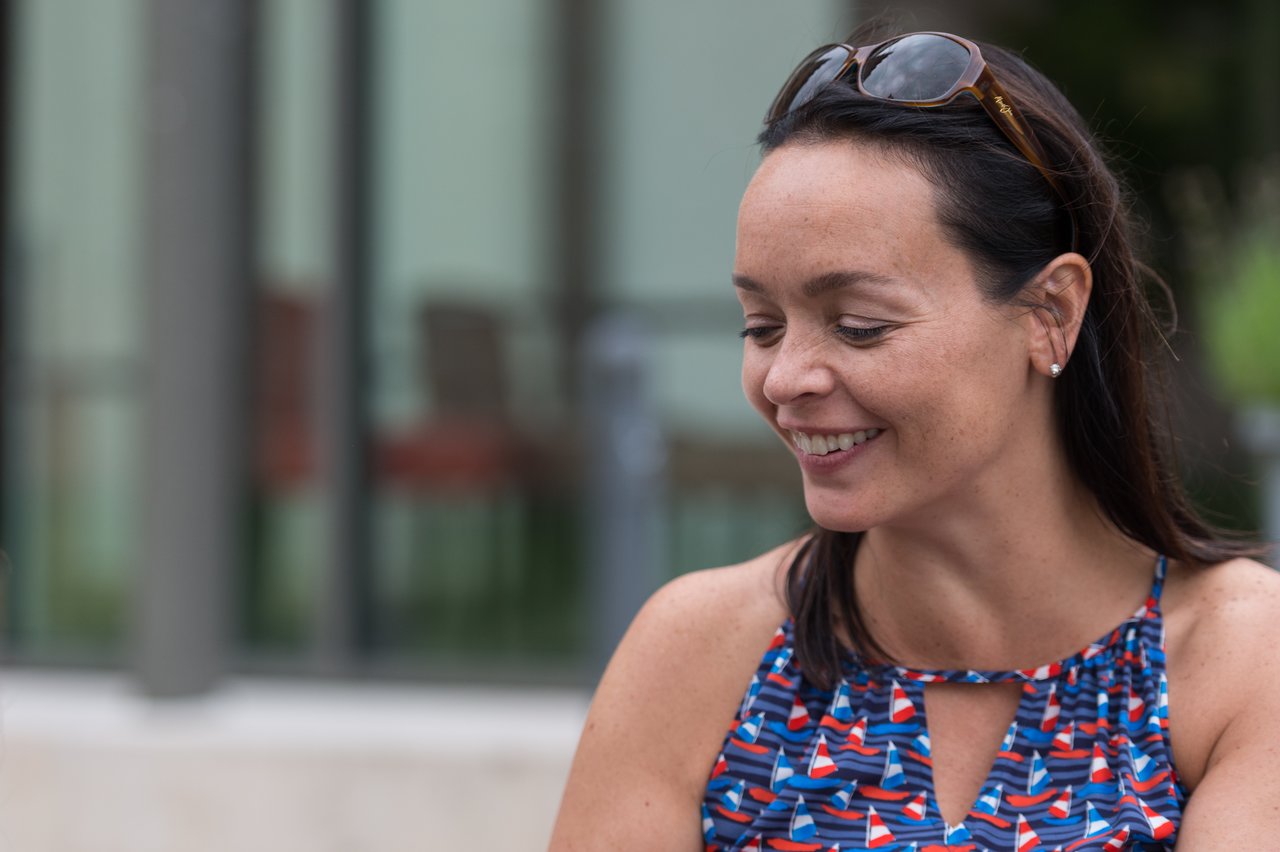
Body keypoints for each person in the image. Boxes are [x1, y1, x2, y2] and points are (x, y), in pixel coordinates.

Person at [550, 26, 1280, 851]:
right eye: (761, 325)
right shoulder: (700, 652)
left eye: (859, 325)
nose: (785, 378)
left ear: (1051, 314)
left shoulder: (1240, 658)